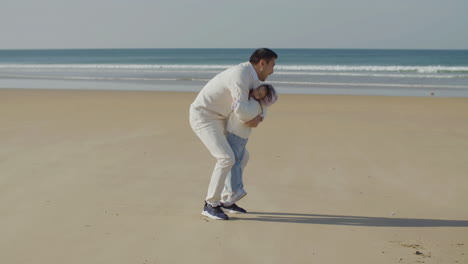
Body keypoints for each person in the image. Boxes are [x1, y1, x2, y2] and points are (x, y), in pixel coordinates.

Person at [189, 48, 278, 220]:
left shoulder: (254, 79)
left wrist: (259, 119)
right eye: (272, 65)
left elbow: (262, 104)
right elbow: (241, 111)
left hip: (222, 119)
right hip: (204, 116)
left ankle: (227, 200)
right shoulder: (240, 75)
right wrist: (253, 117)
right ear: (262, 63)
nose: (273, 70)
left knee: (243, 158)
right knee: (226, 158)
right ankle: (210, 204)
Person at [223, 84, 278, 208]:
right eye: (258, 89)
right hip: (242, 136)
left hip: (235, 135)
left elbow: (242, 112)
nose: (255, 93)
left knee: (232, 163)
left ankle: (236, 190)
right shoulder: (259, 106)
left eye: (259, 94)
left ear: (261, 99)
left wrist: (235, 104)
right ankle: (229, 194)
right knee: (237, 161)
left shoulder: (252, 104)